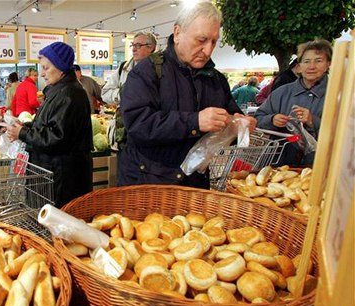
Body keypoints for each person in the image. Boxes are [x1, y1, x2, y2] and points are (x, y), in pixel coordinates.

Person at [118, 1, 256, 189]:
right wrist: (194, 122)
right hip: (149, 182)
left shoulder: (216, 80)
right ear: (177, 34)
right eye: (201, 40)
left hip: (195, 184)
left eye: (214, 42)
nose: (208, 50)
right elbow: (138, 124)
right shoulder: (146, 72)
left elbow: (231, 115)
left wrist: (239, 126)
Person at [6, 42, 93, 208]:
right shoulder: (60, 91)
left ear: (60, 67)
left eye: (46, 68)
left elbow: (57, 137)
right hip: (54, 174)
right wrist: (25, 127)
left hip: (62, 179)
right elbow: (49, 124)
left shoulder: (69, 95)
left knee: (57, 225)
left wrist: (23, 133)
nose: (42, 74)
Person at [255, 39, 332, 167]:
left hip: (320, 167)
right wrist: (272, 119)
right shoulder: (281, 92)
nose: (311, 66)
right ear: (299, 66)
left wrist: (313, 121)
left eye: (318, 61)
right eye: (306, 61)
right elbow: (258, 118)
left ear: (328, 64)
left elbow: (345, 132)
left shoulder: (337, 95)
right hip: (279, 166)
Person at [101, 32, 157, 151]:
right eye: (132, 45)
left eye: (138, 45)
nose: (134, 49)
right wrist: (124, 94)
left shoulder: (160, 71)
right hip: (124, 133)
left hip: (150, 131)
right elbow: (105, 93)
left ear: (151, 47)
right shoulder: (123, 68)